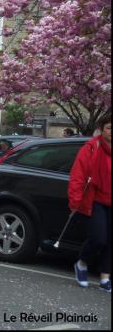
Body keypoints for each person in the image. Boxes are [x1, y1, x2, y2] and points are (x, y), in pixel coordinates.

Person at [69, 113, 111, 292]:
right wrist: (75, 200)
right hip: (95, 200)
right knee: (99, 238)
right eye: (109, 128)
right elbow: (78, 175)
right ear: (101, 129)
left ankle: (105, 278)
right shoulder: (91, 147)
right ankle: (82, 263)